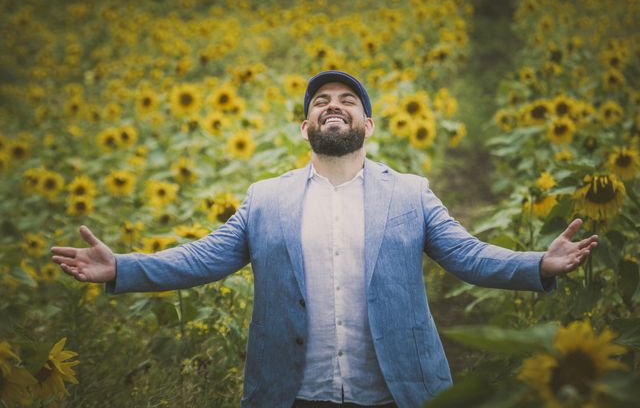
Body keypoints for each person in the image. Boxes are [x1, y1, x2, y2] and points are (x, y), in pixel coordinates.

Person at [51, 70, 598, 408]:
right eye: (320, 100)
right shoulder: (266, 197)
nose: (332, 104)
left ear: (368, 124)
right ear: (305, 127)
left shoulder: (410, 193)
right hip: (293, 393)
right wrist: (121, 267)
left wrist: (537, 265)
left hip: (395, 391)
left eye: (347, 99)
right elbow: (204, 258)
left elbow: (468, 255)